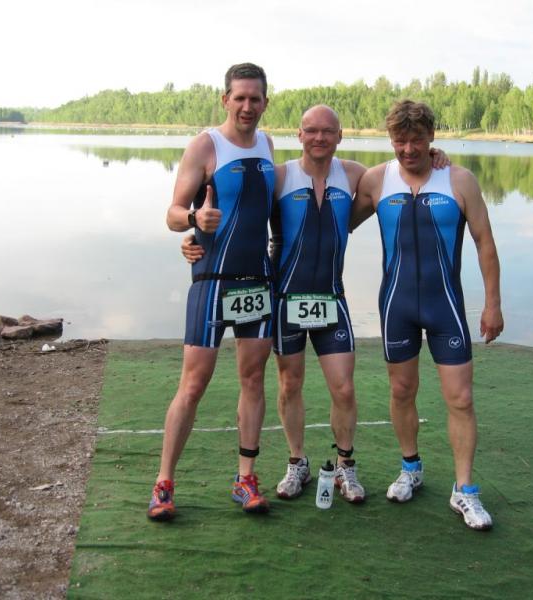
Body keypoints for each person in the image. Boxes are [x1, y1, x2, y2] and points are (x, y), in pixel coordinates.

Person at [182, 105, 450, 504]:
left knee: (344, 387)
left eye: (327, 131)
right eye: (311, 131)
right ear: (299, 135)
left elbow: (403, 170)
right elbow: (240, 214)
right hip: (285, 298)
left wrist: (435, 156)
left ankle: (345, 464)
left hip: (331, 297)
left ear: (340, 136)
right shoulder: (279, 176)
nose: (319, 138)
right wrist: (195, 238)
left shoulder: (356, 175)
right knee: (289, 383)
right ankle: (297, 462)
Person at [351, 100, 504, 530]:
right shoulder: (377, 180)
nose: (408, 149)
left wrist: (493, 303)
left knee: (461, 398)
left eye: (417, 140)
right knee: (402, 390)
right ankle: (410, 468)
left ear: (431, 137)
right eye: (399, 141)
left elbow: (485, 242)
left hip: (445, 306)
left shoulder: (459, 180)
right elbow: (336, 222)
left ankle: (465, 490)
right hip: (396, 305)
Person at [147, 63, 276, 521]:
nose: (247, 106)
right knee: (194, 383)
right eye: (239, 98)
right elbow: (172, 212)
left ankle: (245, 478)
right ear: (225, 100)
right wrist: (192, 221)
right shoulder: (206, 145)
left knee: (253, 379)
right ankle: (164, 483)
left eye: (255, 98)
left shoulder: (267, 144)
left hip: (256, 280)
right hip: (212, 280)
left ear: (265, 102)